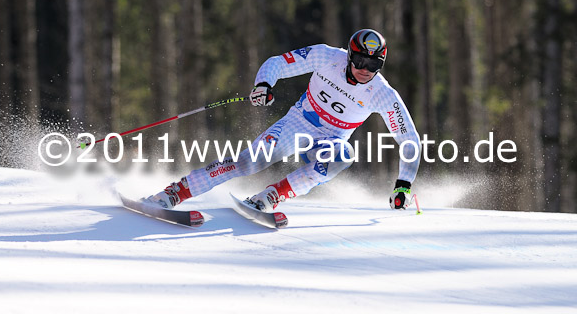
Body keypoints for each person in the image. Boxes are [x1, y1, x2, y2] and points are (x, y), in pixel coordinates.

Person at [147, 29, 421, 212]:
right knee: (249, 162)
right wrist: (264, 84)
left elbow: (409, 141)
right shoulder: (327, 57)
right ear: (349, 55)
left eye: (373, 65)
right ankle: (175, 192)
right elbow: (278, 63)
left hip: (330, 140)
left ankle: (272, 195)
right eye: (360, 60)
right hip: (297, 124)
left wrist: (403, 185)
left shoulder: (383, 94)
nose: (364, 70)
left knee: (344, 156)